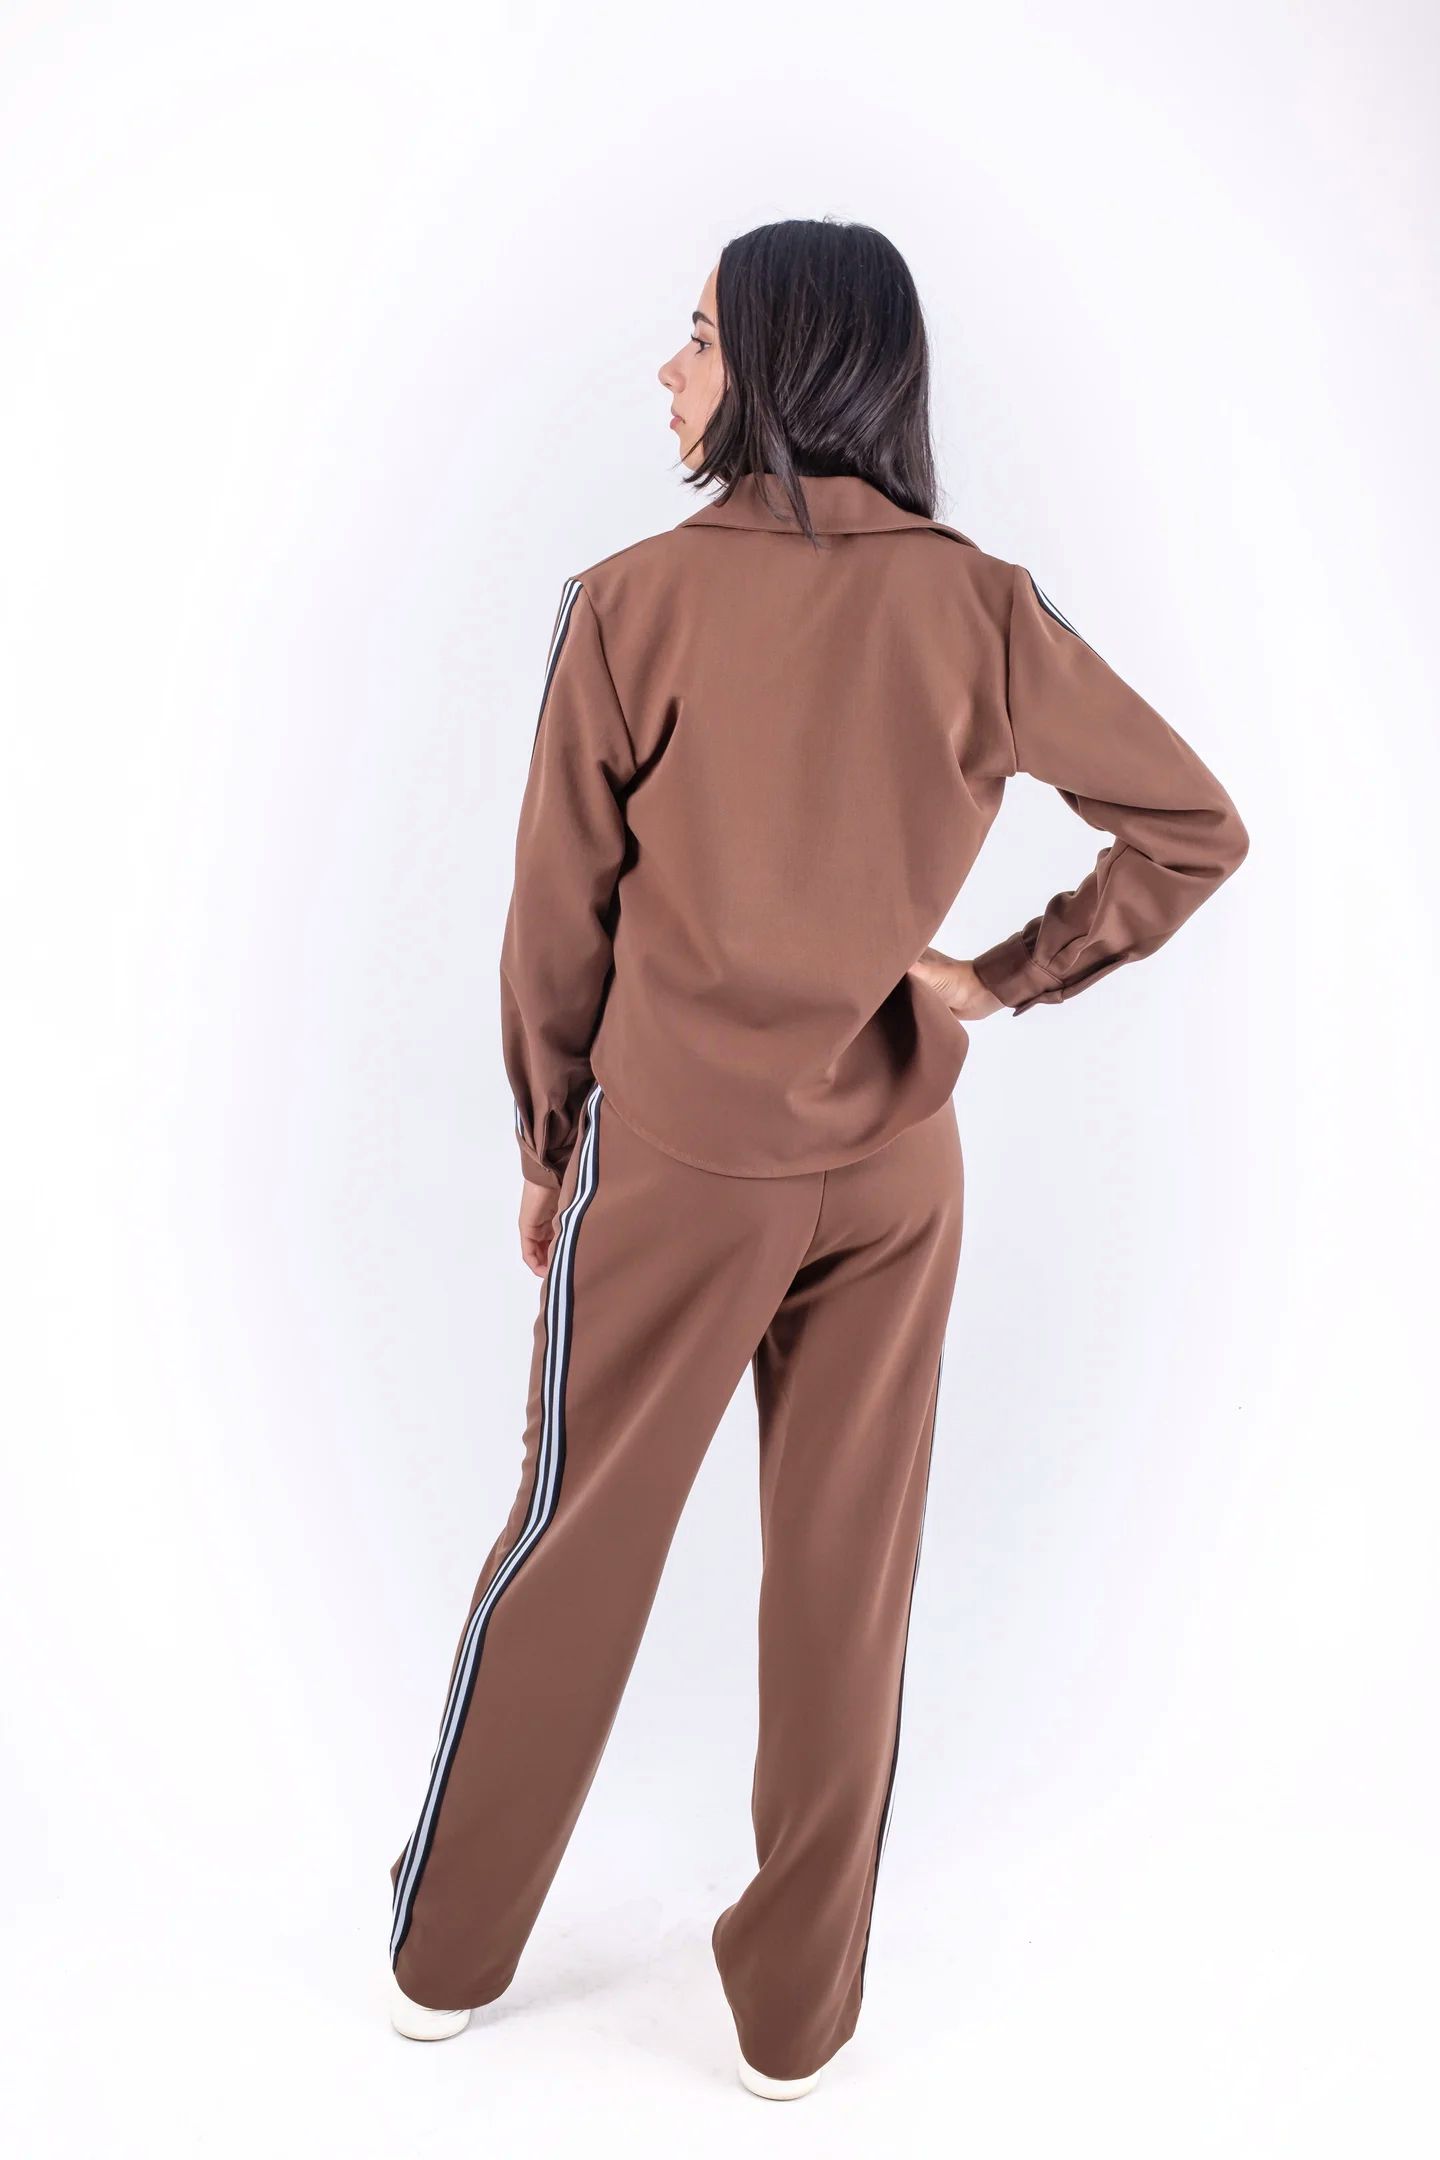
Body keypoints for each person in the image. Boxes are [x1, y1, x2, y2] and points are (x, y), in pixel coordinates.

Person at [385, 218, 1250, 2100]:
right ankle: (795, 2026)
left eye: (698, 336)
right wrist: (1000, 979)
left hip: (682, 1157)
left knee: (574, 1544)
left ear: (781, 361)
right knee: (848, 1584)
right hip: (897, 1164)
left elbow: (556, 918)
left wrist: (546, 1139)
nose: (668, 369)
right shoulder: (982, 606)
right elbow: (1194, 826)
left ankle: (443, 1960)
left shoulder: (630, 603)